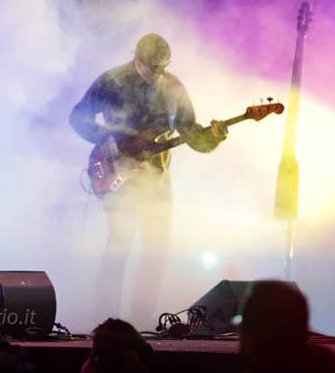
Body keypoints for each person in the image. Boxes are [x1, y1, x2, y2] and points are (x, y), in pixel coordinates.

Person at [69, 33, 227, 326]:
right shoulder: (112, 80)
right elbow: (78, 117)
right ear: (137, 61)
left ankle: (141, 322)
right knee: (119, 245)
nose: (157, 75)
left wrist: (213, 139)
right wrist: (112, 141)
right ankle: (105, 321)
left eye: (162, 69)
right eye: (151, 68)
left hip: (158, 180)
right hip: (121, 177)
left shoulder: (173, 87)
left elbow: (193, 136)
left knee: (156, 251)